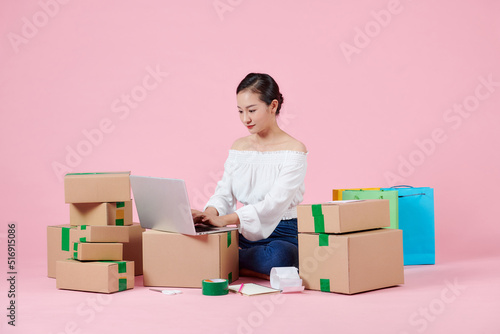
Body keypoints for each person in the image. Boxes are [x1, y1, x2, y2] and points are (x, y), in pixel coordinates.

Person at [191, 73, 307, 280]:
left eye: (252, 110)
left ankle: (224, 261)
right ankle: (238, 263)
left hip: (283, 232)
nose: (246, 119)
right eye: (240, 111)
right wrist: (207, 217)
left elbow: (274, 204)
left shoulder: (294, 150)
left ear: (272, 106)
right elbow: (224, 193)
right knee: (200, 240)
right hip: (244, 230)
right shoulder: (239, 147)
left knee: (279, 257)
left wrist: (223, 220)